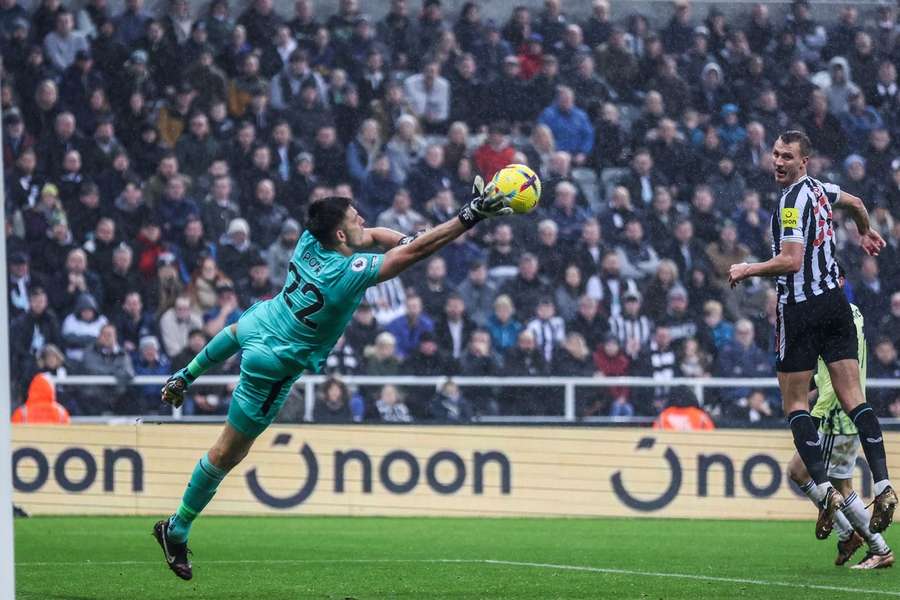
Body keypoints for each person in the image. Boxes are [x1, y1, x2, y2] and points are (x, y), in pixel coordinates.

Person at [153, 179, 513, 579]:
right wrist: (470, 216)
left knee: (240, 329)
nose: (363, 219)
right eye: (355, 217)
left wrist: (414, 234)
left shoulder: (309, 240)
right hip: (272, 365)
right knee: (227, 454)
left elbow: (383, 237)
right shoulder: (348, 274)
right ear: (341, 233)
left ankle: (184, 375)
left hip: (263, 320)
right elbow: (413, 251)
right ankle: (177, 527)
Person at [728, 130, 895, 537]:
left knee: (794, 403)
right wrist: (864, 231)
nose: (778, 162)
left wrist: (748, 268)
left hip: (800, 309)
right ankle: (885, 483)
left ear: (805, 161)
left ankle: (825, 491)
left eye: (787, 156)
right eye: (774, 154)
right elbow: (855, 202)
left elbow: (790, 260)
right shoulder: (821, 190)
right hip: (835, 303)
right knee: (855, 397)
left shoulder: (790, 202)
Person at [786, 304, 894, 569]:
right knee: (804, 474)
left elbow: (835, 374)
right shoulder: (853, 312)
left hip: (836, 414)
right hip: (848, 406)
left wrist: (817, 412)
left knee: (832, 483)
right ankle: (850, 536)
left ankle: (877, 548)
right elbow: (832, 369)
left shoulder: (827, 312)